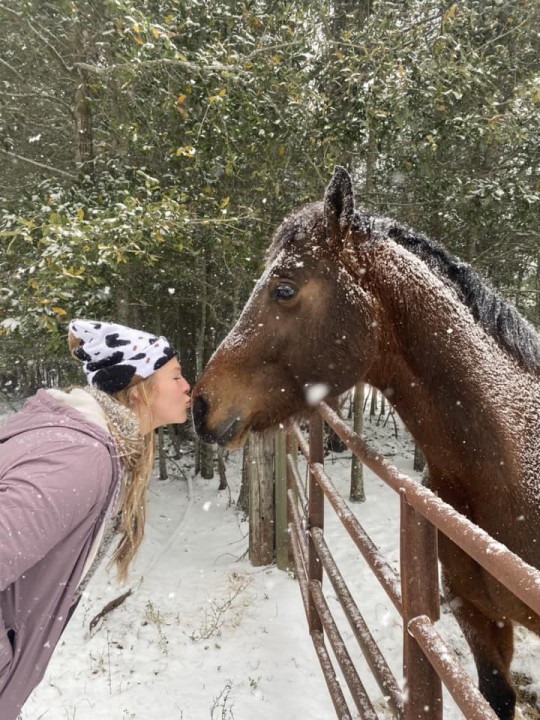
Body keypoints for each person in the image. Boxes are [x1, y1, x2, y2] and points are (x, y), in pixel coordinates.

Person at [0, 319, 191, 719]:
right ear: (138, 390)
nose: (187, 386)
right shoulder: (79, 458)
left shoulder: (83, 443)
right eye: (175, 376)